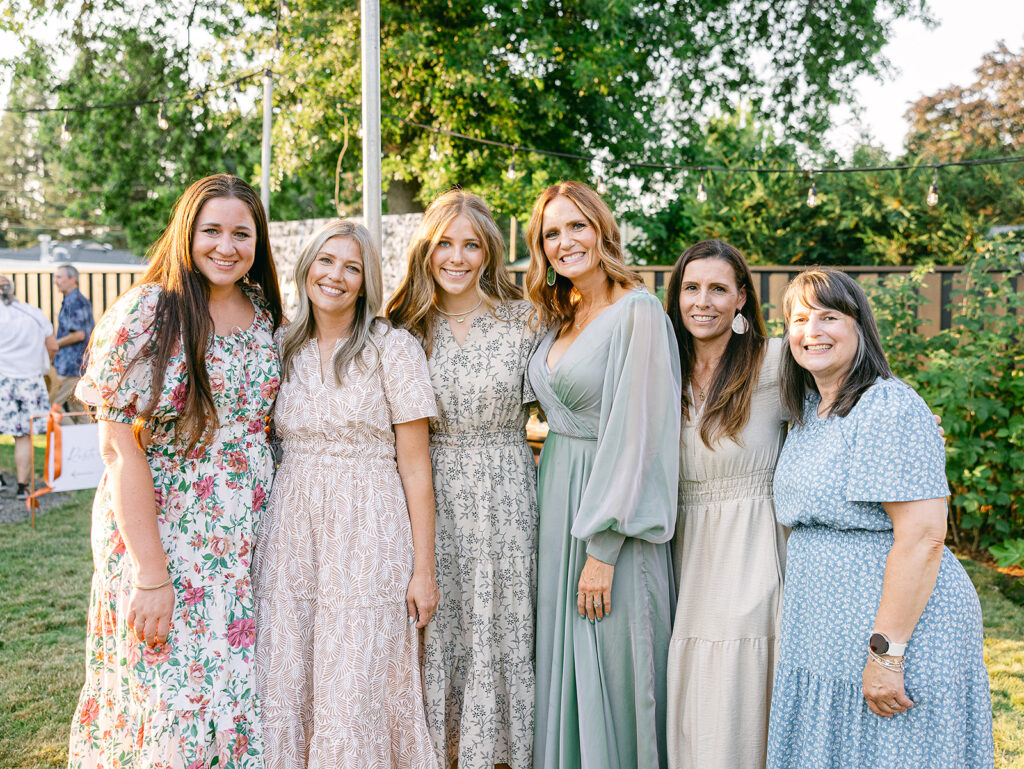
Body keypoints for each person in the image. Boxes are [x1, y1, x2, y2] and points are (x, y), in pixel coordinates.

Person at [66, 174, 284, 769]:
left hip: (243, 537)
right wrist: (151, 574)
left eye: (242, 233)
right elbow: (118, 449)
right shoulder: (149, 313)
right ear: (187, 233)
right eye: (211, 230)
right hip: (166, 533)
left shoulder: (263, 310)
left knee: (230, 685)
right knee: (171, 694)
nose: (226, 246)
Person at [768, 267, 993, 768]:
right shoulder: (808, 409)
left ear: (859, 327)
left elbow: (923, 537)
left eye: (829, 317)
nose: (812, 331)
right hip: (821, 637)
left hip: (894, 636)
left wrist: (886, 656)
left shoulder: (886, 405)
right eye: (799, 319)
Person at [254, 219, 440, 769]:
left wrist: (423, 569)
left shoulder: (392, 347)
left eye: (352, 267)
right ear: (306, 266)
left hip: (369, 527)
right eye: (326, 261)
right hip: (291, 527)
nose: (335, 275)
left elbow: (416, 467)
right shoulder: (280, 345)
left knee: (355, 672)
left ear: (366, 282)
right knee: (287, 667)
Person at [525, 181, 681, 769]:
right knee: (564, 669)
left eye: (576, 226)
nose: (565, 242)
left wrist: (604, 546)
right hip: (558, 499)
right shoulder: (560, 315)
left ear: (602, 229)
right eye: (552, 233)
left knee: (614, 674)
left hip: (612, 518)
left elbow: (639, 438)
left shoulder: (636, 311)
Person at [387, 189, 541, 769]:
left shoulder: (524, 321)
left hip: (505, 489)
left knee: (500, 620)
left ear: (489, 252)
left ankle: (499, 754)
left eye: (470, 244)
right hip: (424, 494)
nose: (457, 257)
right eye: (445, 244)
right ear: (426, 251)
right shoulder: (401, 328)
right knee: (435, 621)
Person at [663, 240, 788, 769]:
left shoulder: (777, 362)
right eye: (691, 288)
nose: (703, 301)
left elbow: (848, 397)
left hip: (753, 544)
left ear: (741, 298)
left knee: (740, 683)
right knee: (692, 687)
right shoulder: (662, 368)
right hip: (684, 546)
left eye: (718, 289)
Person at [0, 273, 57, 499]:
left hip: (3, 378)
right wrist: (43, 366)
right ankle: (23, 486)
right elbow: (52, 346)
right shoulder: (33, 312)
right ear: (12, 289)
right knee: (23, 435)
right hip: (31, 380)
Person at [51, 263, 95, 422]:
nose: (55, 281)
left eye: (59, 277)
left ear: (73, 279)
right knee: (78, 410)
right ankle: (86, 444)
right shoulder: (72, 300)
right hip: (77, 365)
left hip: (71, 366)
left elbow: (78, 334)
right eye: (55, 277)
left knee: (52, 407)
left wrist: (54, 344)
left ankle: (69, 441)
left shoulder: (75, 301)